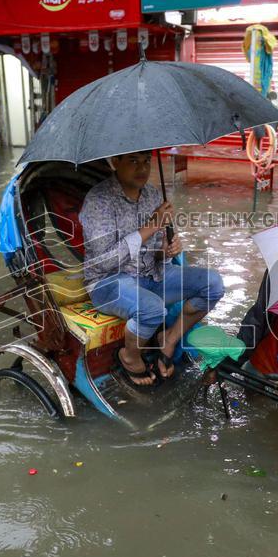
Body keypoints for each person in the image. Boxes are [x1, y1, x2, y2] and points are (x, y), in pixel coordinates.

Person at [79, 152, 225, 387]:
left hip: (152, 274)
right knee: (152, 308)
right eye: (133, 161)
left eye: (146, 161)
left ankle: (169, 339)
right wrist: (151, 227)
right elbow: (102, 263)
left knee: (213, 283)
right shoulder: (98, 201)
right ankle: (130, 356)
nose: (143, 168)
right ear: (115, 162)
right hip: (108, 282)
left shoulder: (153, 195)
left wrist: (167, 249)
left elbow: (157, 250)